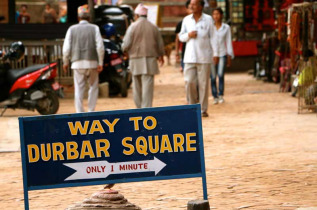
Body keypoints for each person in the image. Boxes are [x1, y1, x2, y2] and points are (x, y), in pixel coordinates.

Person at [179, 0, 219, 117]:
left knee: (203, 84)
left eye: (195, 4)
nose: (192, 6)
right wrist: (188, 35)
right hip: (189, 57)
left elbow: (213, 37)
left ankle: (203, 109)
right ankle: (191, 107)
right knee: (189, 82)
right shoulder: (186, 20)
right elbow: (181, 36)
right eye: (191, 4)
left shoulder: (208, 19)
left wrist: (215, 54)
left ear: (201, 6)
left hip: (204, 57)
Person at [63, 5, 104, 113]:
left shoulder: (71, 29)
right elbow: (100, 46)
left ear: (78, 18)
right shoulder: (95, 28)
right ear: (89, 18)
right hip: (92, 63)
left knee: (79, 88)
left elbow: (66, 48)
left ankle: (79, 111)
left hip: (77, 64)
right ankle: (91, 110)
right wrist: (100, 62)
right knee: (93, 86)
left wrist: (65, 62)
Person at [122, 3, 164, 108]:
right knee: (148, 87)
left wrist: (124, 50)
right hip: (150, 60)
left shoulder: (132, 27)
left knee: (136, 86)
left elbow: (126, 44)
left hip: (135, 60)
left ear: (136, 15)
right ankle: (147, 109)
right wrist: (161, 56)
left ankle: (139, 108)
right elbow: (160, 44)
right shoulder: (153, 27)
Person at [211, 7, 234, 104]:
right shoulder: (210, 27)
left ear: (221, 15)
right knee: (212, 76)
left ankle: (220, 94)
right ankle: (214, 95)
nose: (216, 16)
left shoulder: (226, 28)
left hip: (222, 53)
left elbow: (228, 42)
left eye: (217, 14)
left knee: (220, 74)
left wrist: (229, 55)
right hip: (211, 55)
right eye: (214, 14)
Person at [175, 0, 192, 72]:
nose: (192, 9)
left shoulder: (205, 21)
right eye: (190, 8)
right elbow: (177, 39)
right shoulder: (182, 23)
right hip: (186, 53)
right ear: (186, 9)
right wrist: (177, 53)